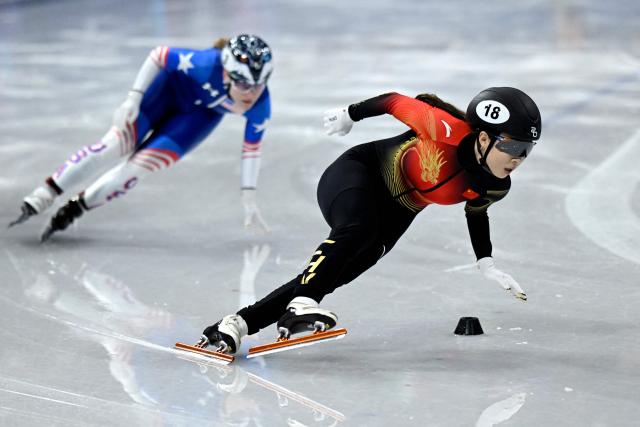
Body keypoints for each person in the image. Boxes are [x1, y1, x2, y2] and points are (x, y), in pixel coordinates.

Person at [198, 87, 542, 355]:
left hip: (397, 212)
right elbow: (394, 101)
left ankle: (237, 324)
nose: (519, 159)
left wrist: (486, 263)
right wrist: (349, 114)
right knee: (355, 231)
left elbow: (476, 212)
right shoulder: (443, 129)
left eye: (527, 151)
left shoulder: (496, 185)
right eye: (513, 148)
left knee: (345, 267)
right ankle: (300, 306)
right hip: (357, 174)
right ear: (484, 138)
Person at [10, 34, 273, 240]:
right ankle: (45, 193)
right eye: (243, 84)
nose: (251, 93)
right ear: (226, 73)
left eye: (259, 85)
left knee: (137, 169)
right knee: (115, 145)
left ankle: (75, 208)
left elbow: (252, 149)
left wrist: (248, 196)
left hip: (196, 119)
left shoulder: (261, 105)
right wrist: (133, 99)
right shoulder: (204, 64)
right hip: (163, 95)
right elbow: (159, 55)